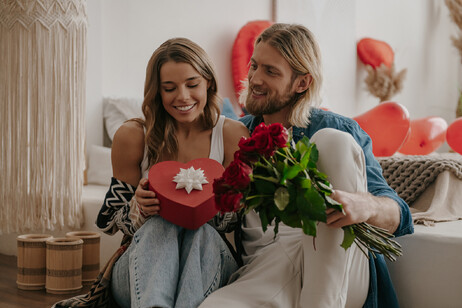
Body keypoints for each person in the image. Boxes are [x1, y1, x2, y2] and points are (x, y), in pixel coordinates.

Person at [199, 23, 414, 308]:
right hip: (266, 268)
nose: (255, 79)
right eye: (254, 66)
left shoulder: (337, 128)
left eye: (270, 71)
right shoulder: (235, 135)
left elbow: (400, 214)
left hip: (340, 270)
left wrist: (366, 206)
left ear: (302, 83)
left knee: (331, 141)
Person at [95, 37, 249, 308]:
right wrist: (139, 209)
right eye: (169, 88)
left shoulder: (230, 135)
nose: (183, 96)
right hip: (137, 274)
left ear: (209, 82)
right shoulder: (133, 136)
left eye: (192, 85)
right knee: (161, 222)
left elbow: (238, 225)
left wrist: (209, 205)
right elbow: (107, 221)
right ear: (157, 92)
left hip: (209, 265)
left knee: (200, 232)